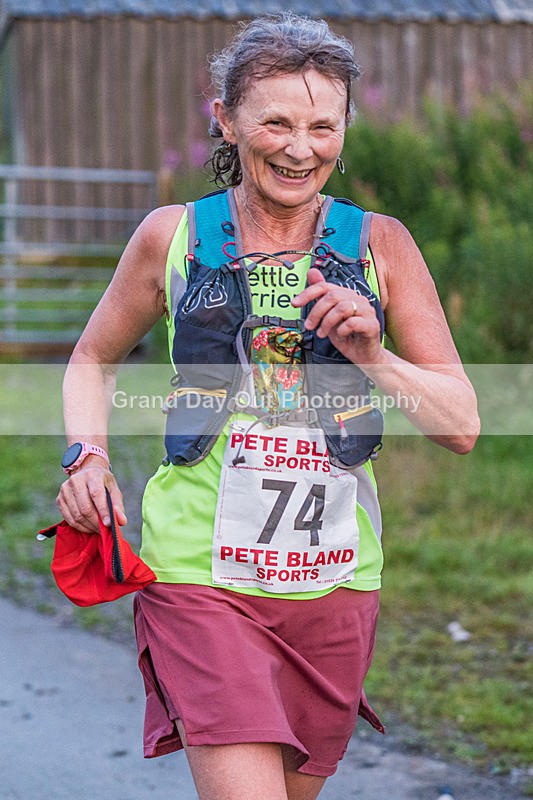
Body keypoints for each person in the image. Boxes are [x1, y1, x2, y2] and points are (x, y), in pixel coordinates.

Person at [56, 13, 479, 800]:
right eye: (276, 122)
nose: (299, 148)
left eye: (322, 126)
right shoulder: (172, 237)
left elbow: (460, 427)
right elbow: (92, 358)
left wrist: (373, 355)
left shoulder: (379, 246)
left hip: (334, 580)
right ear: (224, 118)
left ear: (344, 130)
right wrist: (88, 454)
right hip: (199, 577)